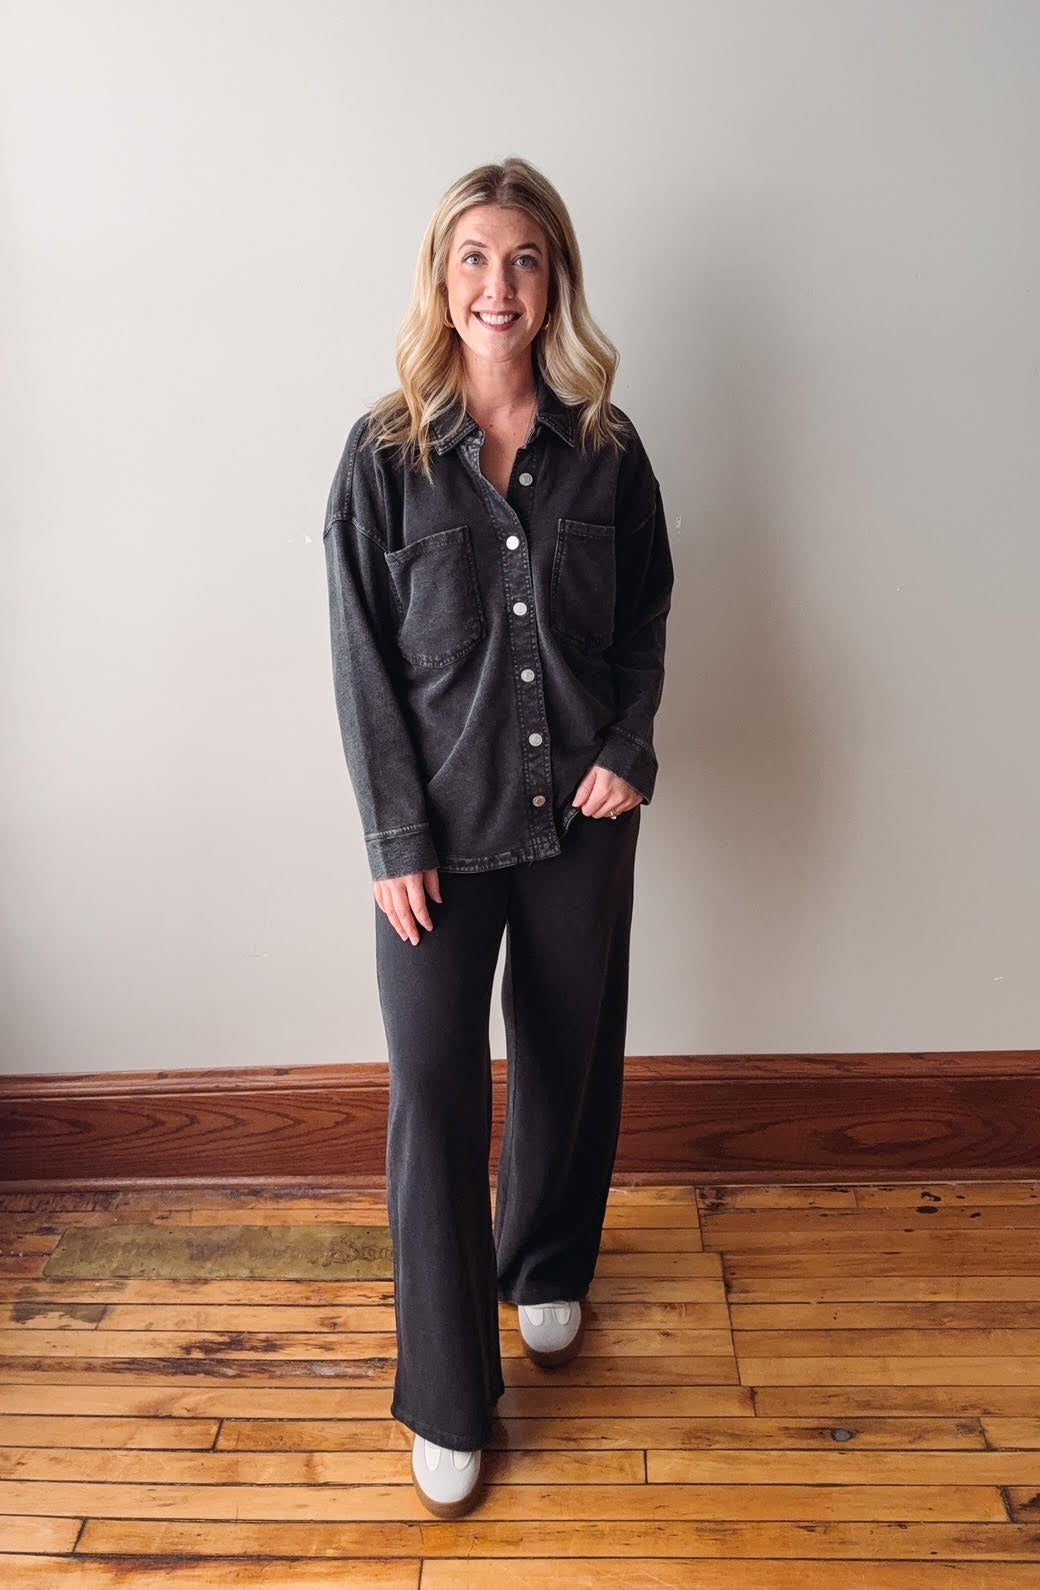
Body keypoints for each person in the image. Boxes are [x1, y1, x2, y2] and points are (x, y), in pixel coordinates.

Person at [322, 156, 673, 1519]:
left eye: (523, 258)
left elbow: (644, 618)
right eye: (475, 257)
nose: (498, 284)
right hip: (438, 844)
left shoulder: (613, 451)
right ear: (441, 279)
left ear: (554, 281)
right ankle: (451, 1395)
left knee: (569, 1050)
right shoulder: (383, 458)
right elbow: (360, 662)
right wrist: (394, 831)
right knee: (436, 1097)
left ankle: (546, 1261)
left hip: (583, 820)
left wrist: (627, 751)